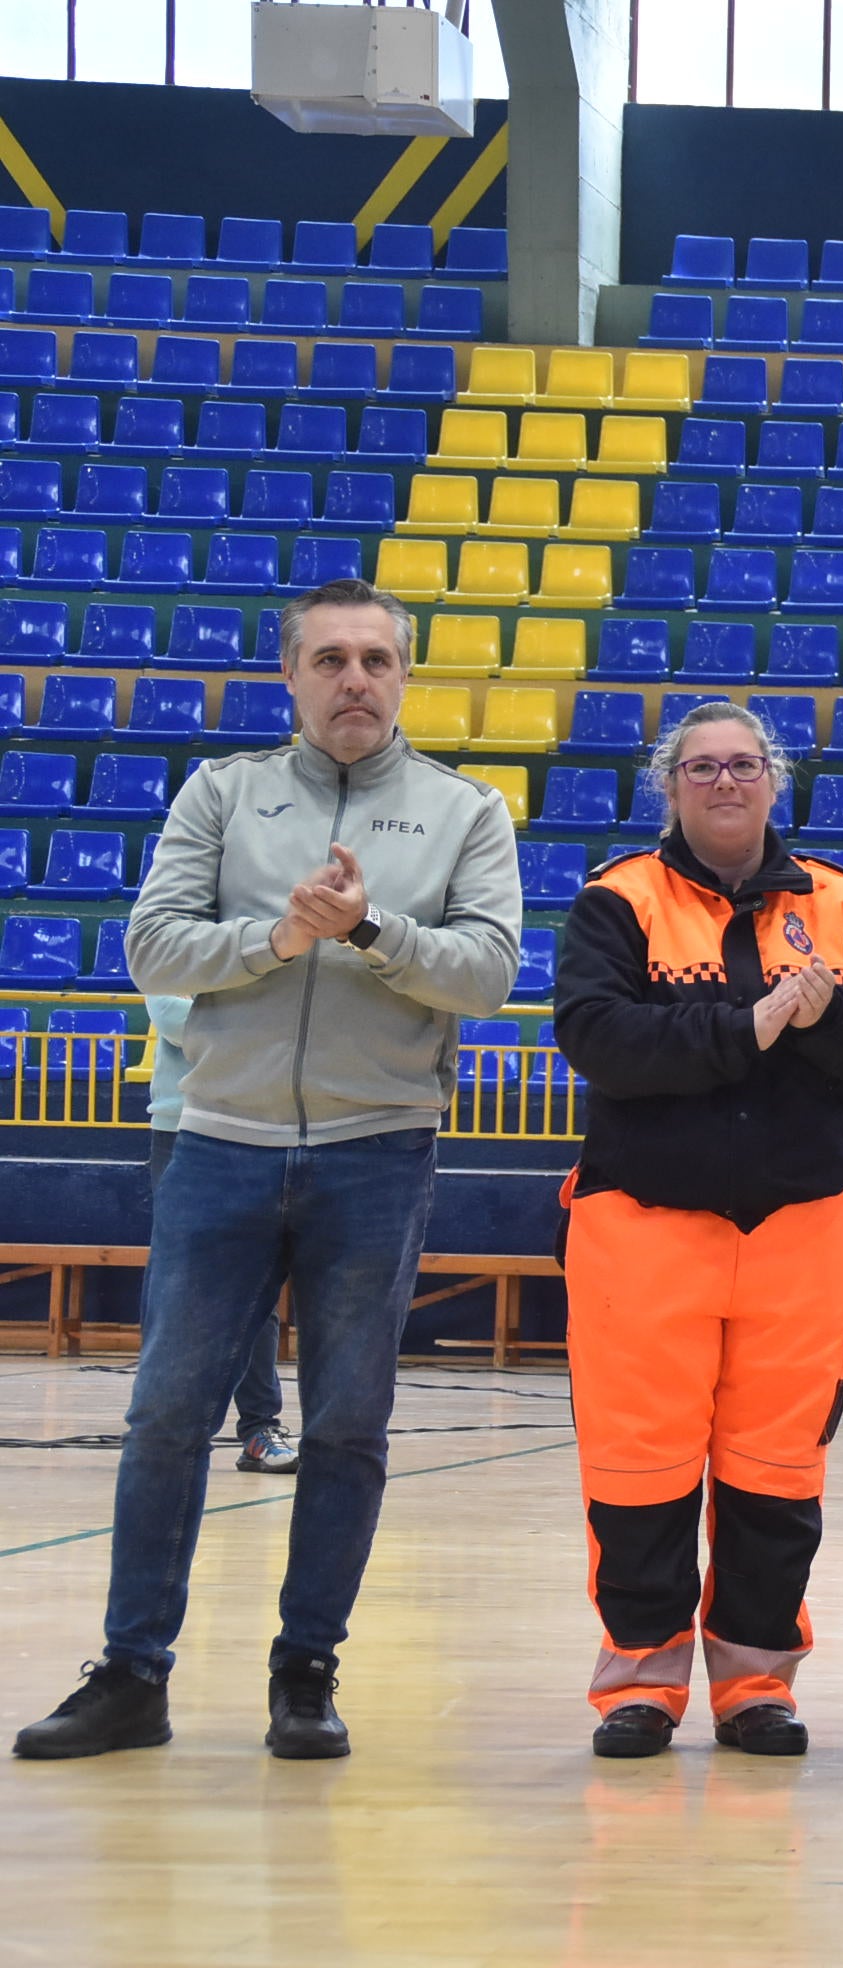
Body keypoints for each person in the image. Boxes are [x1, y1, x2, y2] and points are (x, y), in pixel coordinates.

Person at [15, 576, 522, 1763]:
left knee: (348, 1425)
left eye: (376, 660)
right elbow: (150, 941)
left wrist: (366, 932)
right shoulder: (223, 793)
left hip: (380, 1148)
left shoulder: (465, 810)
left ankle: (307, 1668)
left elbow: (487, 973)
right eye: (331, 659)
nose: (355, 679)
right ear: (289, 676)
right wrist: (277, 937)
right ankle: (132, 1669)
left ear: (406, 674)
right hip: (220, 1143)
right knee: (165, 1416)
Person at [553, 702, 843, 1759]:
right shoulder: (616, 899)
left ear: (777, 780)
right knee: (640, 1470)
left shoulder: (842, 900)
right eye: (701, 766)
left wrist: (823, 1017)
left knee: (777, 1474)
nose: (725, 781)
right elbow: (599, 1036)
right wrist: (749, 1025)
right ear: (667, 785)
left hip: (805, 1229)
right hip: (641, 1227)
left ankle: (757, 1680)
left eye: (744, 764)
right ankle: (641, 1682)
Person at [142, 992, 297, 1474]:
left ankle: (259, 1427)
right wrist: (262, 1021)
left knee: (257, 1285)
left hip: (261, 1129)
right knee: (175, 1288)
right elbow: (178, 1022)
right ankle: (161, 1429)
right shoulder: (180, 931)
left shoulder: (276, 939)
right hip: (182, 1129)